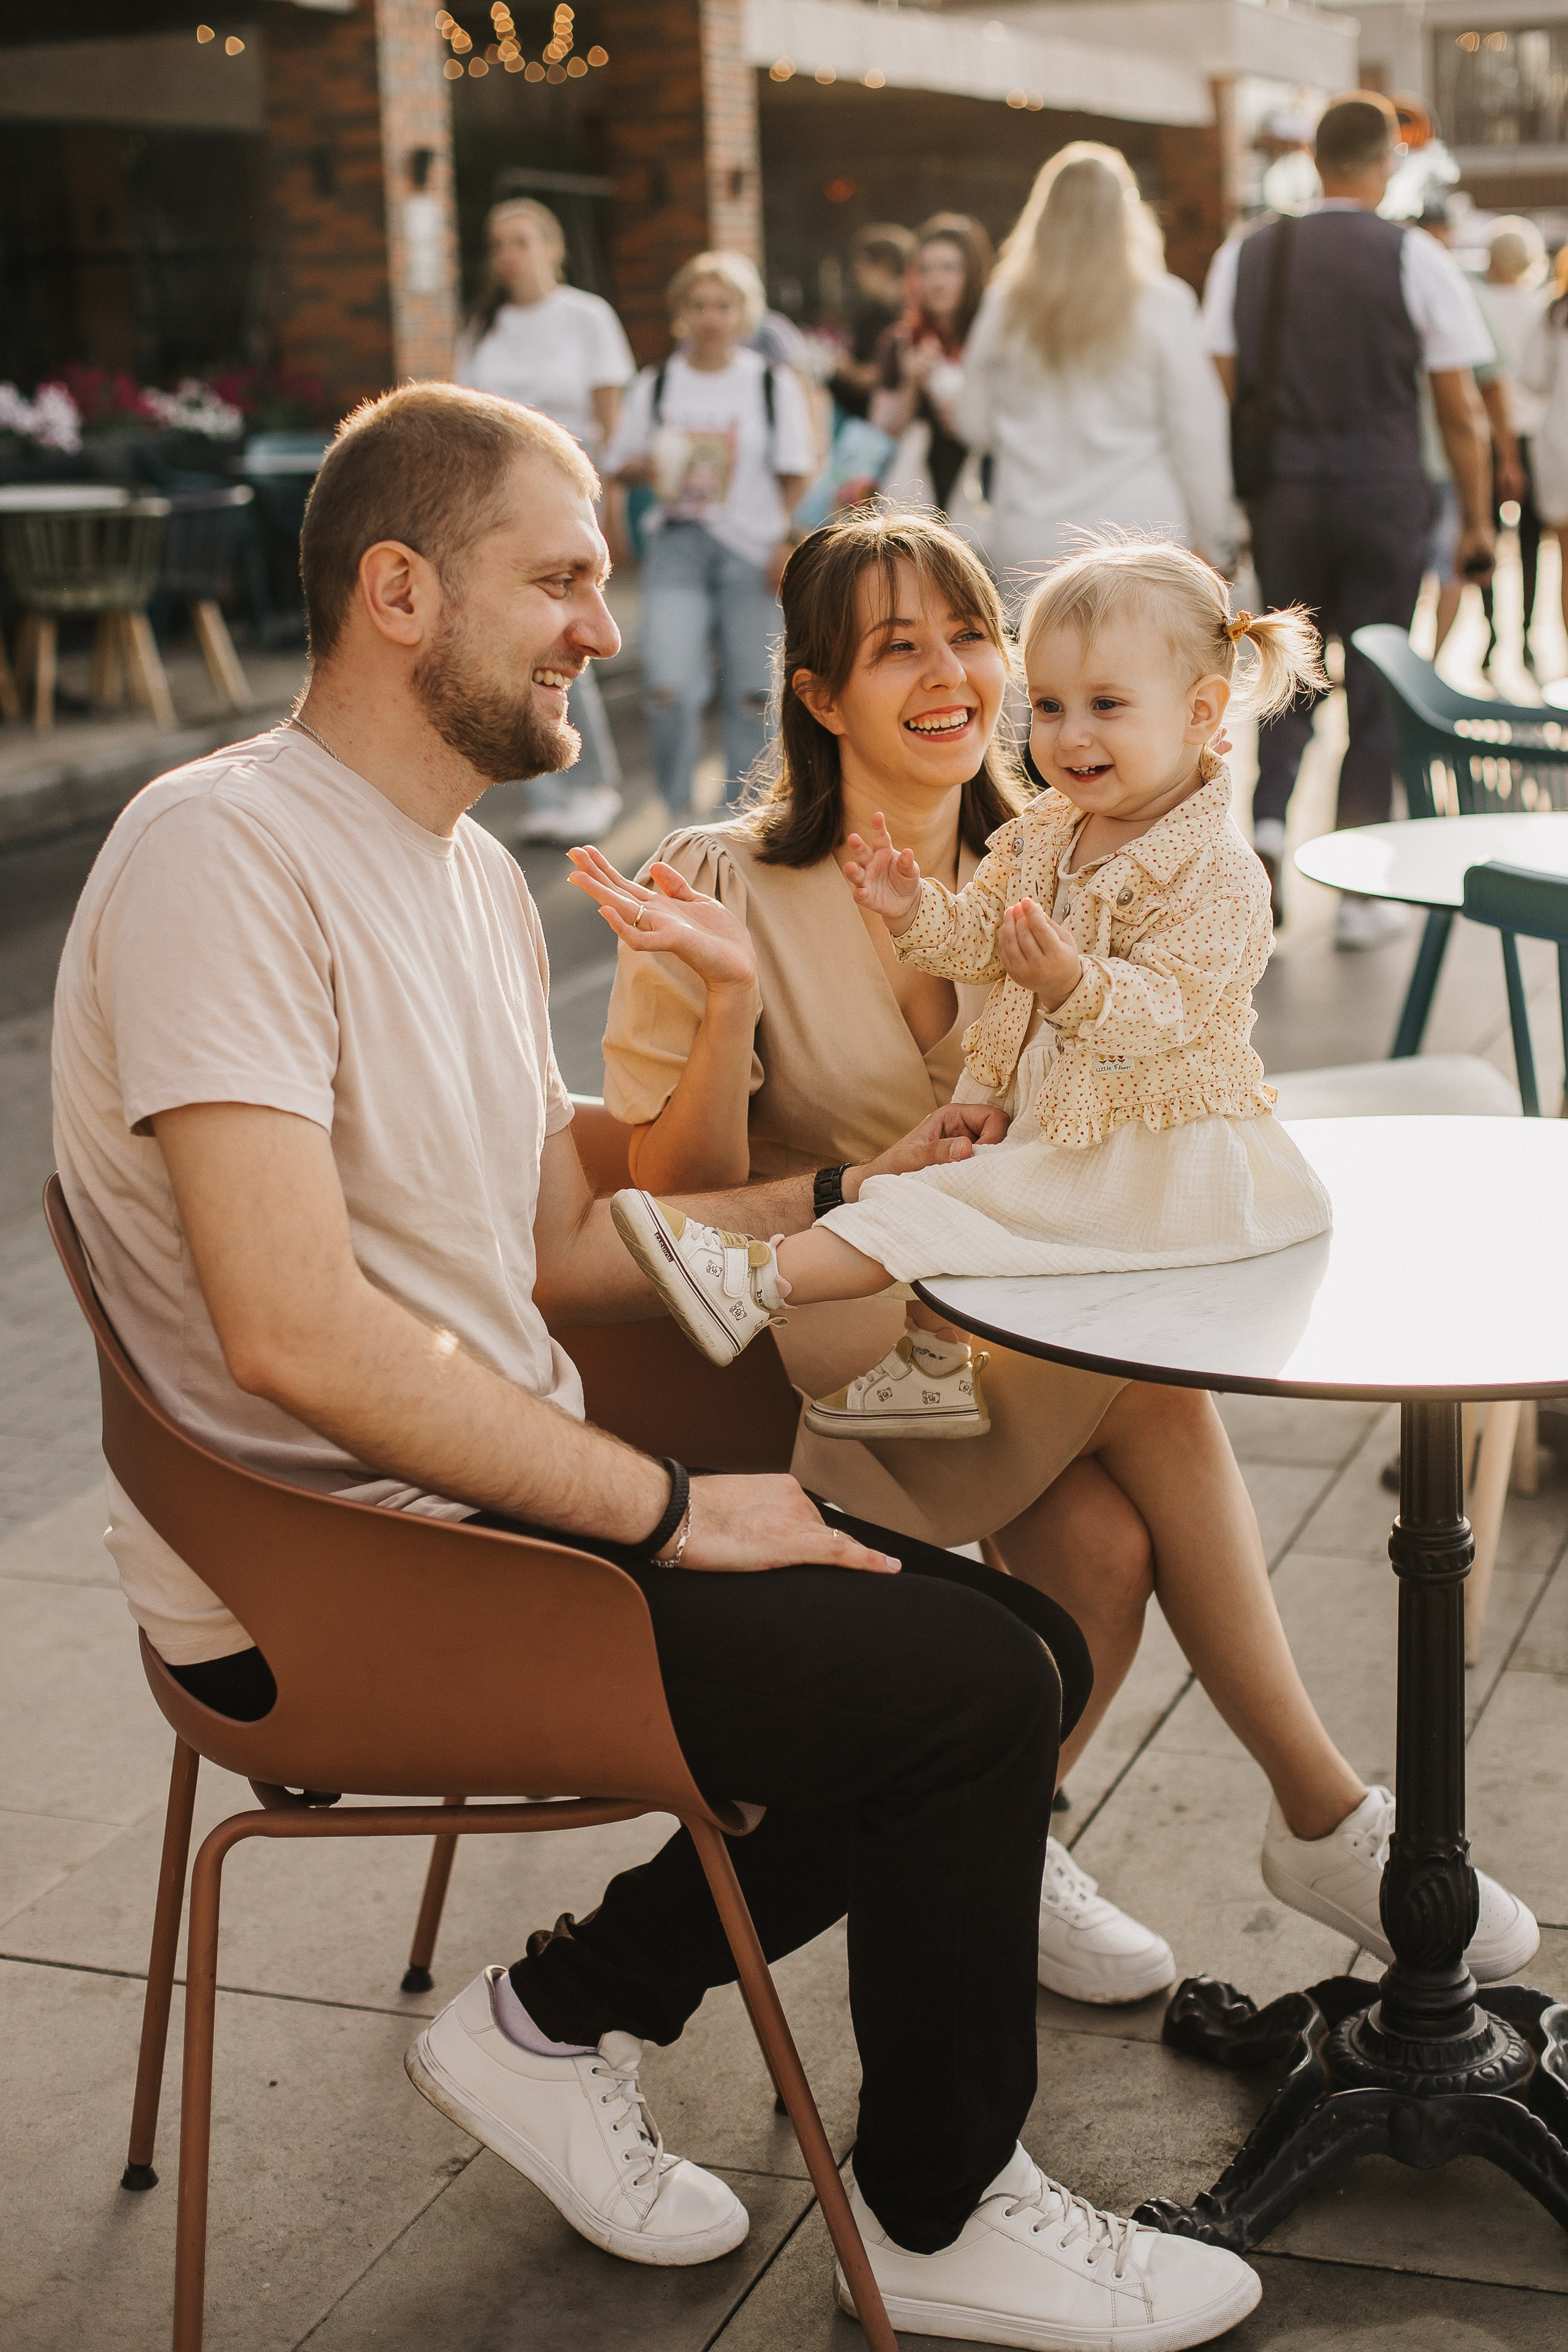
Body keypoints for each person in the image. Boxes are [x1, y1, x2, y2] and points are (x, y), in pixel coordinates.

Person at [49, 382, 1265, 2347]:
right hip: (326, 1574)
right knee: (964, 1687)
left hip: (479, 1502)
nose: (607, 628)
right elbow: (285, 1324)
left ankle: (547, 2019)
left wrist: (852, 1184)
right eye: (561, 579)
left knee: (1012, 1653)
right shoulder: (224, 855)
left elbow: (550, 1256)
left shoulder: (458, 873)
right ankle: (943, 2217)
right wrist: (674, 1503)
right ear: (396, 592)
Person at [568, 508, 1539, 2008]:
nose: (956, 674)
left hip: (1026, 1301)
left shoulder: (1067, 838)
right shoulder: (724, 875)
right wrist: (730, 1012)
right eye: (900, 648)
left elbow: (1165, 1064)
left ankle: (1010, 1835)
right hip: (850, 1328)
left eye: (971, 636)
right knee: (1156, 1407)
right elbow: (669, 1191)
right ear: (819, 696)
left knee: (1101, 1546)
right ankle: (1320, 1813)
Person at [1202, 92, 1496, 944]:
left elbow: (1220, 357)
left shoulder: (1251, 251)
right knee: (1373, 676)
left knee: (1288, 667)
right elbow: (1460, 403)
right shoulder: (1414, 255)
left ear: (1313, 160)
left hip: (1286, 489)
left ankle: (1264, 835)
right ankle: (1363, 893)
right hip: (1383, 489)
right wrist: (1476, 517)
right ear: (1386, 161)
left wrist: (1275, 422)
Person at [957, 143, 1234, 587]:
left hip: (1030, 542)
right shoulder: (1164, 303)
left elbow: (972, 422)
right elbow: (1197, 434)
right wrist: (1216, 537)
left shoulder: (1004, 305)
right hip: (1142, 537)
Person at [605, 249, 816, 817]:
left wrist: (783, 538)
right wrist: (650, 467)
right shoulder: (656, 384)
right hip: (677, 543)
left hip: (751, 548)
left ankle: (743, 817)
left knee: (753, 695)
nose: (710, 317)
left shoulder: (771, 384)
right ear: (681, 314)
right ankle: (675, 810)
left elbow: (797, 469)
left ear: (744, 314)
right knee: (667, 687)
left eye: (723, 305)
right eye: (698, 305)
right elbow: (618, 463)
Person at [454, 196, 633, 845]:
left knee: (567, 635)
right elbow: (467, 419)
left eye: (521, 241)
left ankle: (593, 782)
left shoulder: (587, 317)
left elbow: (613, 419)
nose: (508, 254)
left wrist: (610, 507)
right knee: (520, 640)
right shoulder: (483, 329)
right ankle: (550, 785)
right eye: (498, 243)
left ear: (552, 247)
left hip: (568, 495)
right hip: (501, 505)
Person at [1415, 202, 1520, 665]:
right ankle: (1427, 667)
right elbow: (1488, 390)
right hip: (1446, 462)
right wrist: (1507, 458)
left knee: (1429, 572)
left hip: (1406, 463)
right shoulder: (1456, 288)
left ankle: (1417, 669)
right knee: (1452, 569)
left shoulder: (1396, 288)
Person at [870, 213, 993, 514]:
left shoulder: (993, 339)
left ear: (972, 273)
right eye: (926, 270)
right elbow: (883, 428)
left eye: (949, 269)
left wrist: (971, 416)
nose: (936, 282)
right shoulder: (904, 340)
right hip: (923, 495)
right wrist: (914, 384)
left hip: (987, 488)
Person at [1478, 217, 1550, 672]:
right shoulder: (1541, 306)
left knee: (1484, 535)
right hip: (1533, 437)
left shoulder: (1476, 303)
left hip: (1485, 434)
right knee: (1529, 546)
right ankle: (1524, 637)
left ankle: (1490, 633)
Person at [826, 223, 916, 421]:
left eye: (863, 265)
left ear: (884, 267)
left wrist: (844, 368)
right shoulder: (873, 311)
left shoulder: (905, 317)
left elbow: (879, 376)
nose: (856, 273)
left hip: (876, 424)